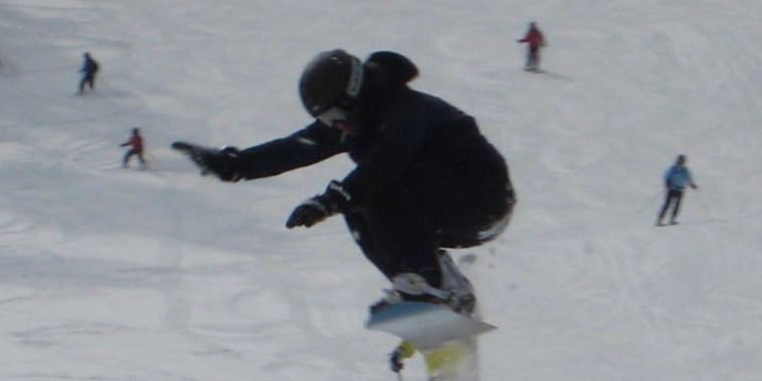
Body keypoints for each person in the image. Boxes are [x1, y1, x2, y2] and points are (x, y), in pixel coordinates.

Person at [172, 49, 516, 313]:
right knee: (359, 206)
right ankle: (425, 283)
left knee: (371, 191)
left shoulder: (405, 112)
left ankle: (428, 285)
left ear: (355, 97)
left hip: (482, 200)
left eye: (335, 115)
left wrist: (331, 200)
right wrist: (234, 166)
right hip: (444, 209)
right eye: (324, 119)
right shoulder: (356, 120)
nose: (334, 126)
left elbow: (387, 161)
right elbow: (295, 148)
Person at [656, 154, 698, 225]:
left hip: (680, 190)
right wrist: (667, 183)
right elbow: (667, 176)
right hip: (672, 189)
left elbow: (688, 178)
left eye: (682, 161)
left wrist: (692, 185)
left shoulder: (685, 170)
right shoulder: (673, 169)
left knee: (677, 205)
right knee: (667, 204)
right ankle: (660, 220)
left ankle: (672, 219)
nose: (681, 162)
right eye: (680, 160)